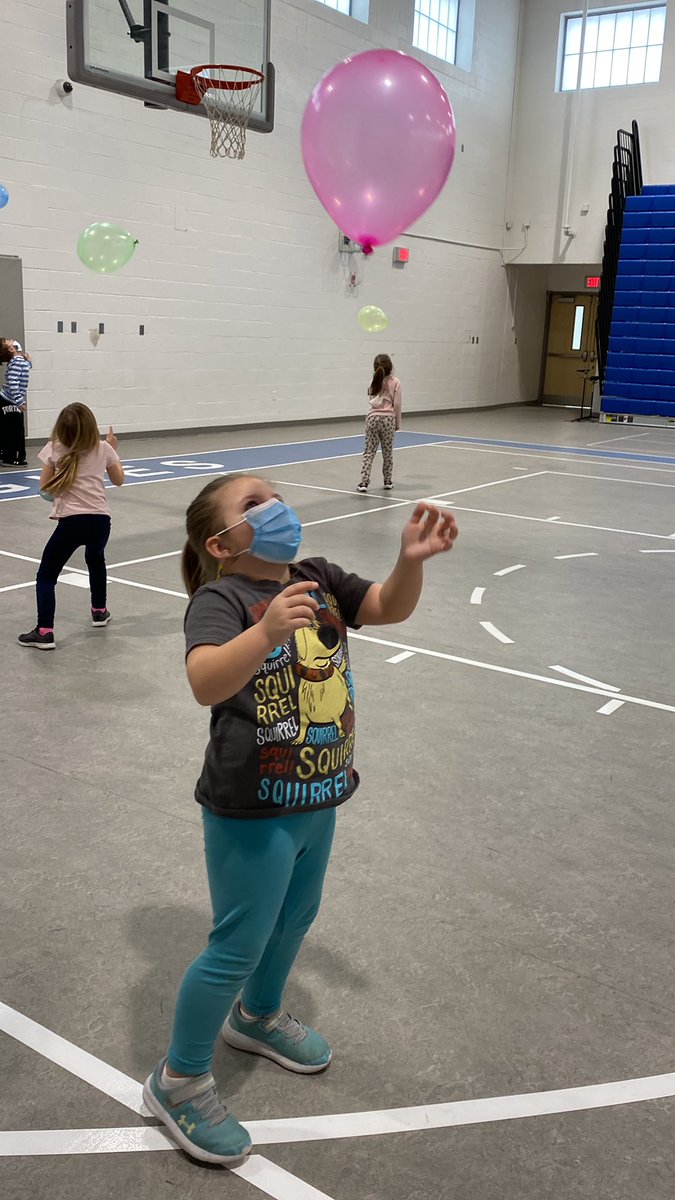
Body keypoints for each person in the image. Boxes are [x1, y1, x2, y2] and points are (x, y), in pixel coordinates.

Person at [143, 473, 458, 1166]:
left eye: (273, 494)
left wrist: (408, 562)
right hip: (250, 806)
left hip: (318, 795)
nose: (276, 507)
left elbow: (383, 606)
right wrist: (261, 633)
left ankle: (256, 1017)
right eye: (254, 503)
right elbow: (204, 682)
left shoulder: (316, 576)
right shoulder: (220, 599)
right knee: (235, 943)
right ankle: (179, 1078)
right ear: (220, 543)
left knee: (292, 921)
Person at [17, 403, 124, 650]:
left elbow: (44, 489)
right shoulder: (104, 448)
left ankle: (44, 631)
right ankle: (99, 610)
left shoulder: (54, 449)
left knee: (46, 576)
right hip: (100, 522)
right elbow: (119, 480)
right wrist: (114, 452)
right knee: (95, 559)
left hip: (71, 524)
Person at [357, 353, 402, 493]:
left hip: (372, 418)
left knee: (369, 451)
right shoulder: (395, 382)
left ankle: (364, 482)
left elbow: (371, 399)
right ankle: (387, 481)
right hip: (388, 419)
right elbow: (397, 404)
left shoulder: (373, 381)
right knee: (387, 452)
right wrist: (397, 423)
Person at [0, 338, 31, 465]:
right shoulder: (17, 361)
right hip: (10, 400)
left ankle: (11, 455)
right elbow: (13, 383)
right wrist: (19, 402)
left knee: (13, 428)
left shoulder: (18, 361)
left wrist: (28, 362)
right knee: (14, 429)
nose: (12, 340)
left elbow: (24, 370)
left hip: (10, 399)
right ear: (11, 349)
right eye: (9, 341)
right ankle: (10, 457)